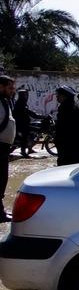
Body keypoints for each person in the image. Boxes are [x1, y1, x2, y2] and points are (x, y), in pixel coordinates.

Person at [54, 85, 79, 166]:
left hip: (68, 148)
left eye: (58, 95)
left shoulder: (66, 108)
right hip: (77, 147)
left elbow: (63, 128)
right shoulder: (78, 107)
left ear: (65, 96)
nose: (57, 97)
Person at [0, 75, 16, 219]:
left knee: (2, 178)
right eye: (10, 88)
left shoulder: (4, 101)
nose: (12, 91)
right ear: (1, 86)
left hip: (4, 147)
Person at [12, 89, 40, 157]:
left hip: (25, 122)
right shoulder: (20, 103)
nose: (26, 96)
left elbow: (28, 111)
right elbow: (28, 112)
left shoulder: (23, 102)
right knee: (24, 137)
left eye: (26, 94)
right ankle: (23, 151)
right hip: (21, 124)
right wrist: (38, 116)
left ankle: (30, 149)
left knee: (32, 133)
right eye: (25, 95)